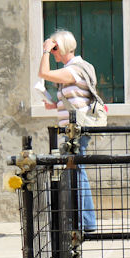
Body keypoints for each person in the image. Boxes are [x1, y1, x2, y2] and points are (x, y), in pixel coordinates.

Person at [38, 29, 98, 233]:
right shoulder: (77, 68)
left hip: (76, 131)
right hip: (73, 129)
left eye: (55, 49)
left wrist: (45, 51)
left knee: (76, 172)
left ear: (62, 47)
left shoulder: (74, 69)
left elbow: (43, 74)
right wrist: (55, 105)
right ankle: (84, 221)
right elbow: (76, 100)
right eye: (51, 49)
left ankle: (85, 222)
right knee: (75, 171)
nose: (53, 53)